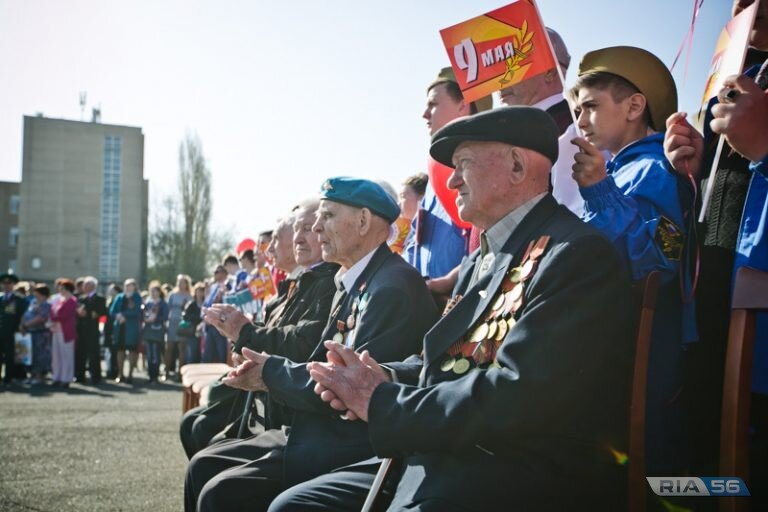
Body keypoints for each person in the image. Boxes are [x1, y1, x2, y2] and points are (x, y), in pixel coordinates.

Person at [270, 107, 634, 511]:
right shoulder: (486, 256)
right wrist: (381, 375)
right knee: (293, 505)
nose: (452, 180)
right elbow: (450, 362)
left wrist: (383, 400)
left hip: (517, 473)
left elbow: (519, 394)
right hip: (453, 452)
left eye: (463, 164)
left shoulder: (574, 254)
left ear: (516, 165)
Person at [185, 178, 439, 512]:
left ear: (363, 222)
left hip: (349, 443)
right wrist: (265, 367)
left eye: (328, 216)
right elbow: (319, 359)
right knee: (203, 467)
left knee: (221, 491)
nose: (318, 228)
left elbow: (346, 384)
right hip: (318, 427)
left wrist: (270, 373)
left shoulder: (389, 287)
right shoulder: (358, 280)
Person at [569, 46, 694, 475]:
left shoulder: (655, 168)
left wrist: (601, 194)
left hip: (640, 358)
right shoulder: (615, 171)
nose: (580, 121)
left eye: (590, 106)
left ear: (635, 106)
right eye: (576, 109)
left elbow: (661, 259)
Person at [664, 0, 768, 482]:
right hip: (713, 313)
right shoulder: (737, 77)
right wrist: (698, 167)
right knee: (701, 472)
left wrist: (765, 150)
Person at [181, 199, 339, 459]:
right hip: (267, 398)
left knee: (203, 446)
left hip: (286, 410)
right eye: (297, 230)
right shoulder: (300, 281)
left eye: (309, 228)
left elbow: (302, 343)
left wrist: (244, 333)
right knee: (194, 428)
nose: (269, 251)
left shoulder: (326, 281)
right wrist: (242, 344)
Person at [405, 67, 492, 279]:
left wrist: (457, 279)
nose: (424, 114)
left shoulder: (488, 170)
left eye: (433, 105)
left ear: (463, 105)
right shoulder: (434, 175)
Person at [499, 27, 584, 216]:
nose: (502, 80)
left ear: (550, 73)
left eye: (514, 65)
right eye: (498, 68)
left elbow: (574, 211)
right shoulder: (505, 132)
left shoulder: (575, 127)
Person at [75, 276, 108, 385]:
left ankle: (96, 376)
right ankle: (80, 376)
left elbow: (102, 313)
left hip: (92, 329)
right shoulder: (80, 298)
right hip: (81, 329)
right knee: (81, 353)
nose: (84, 286)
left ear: (92, 286)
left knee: (94, 354)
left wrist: (87, 314)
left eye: (86, 284)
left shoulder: (100, 299)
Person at [110, 279, 143, 384]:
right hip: (120, 328)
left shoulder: (137, 297)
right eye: (126, 286)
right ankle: (120, 374)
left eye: (130, 286)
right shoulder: (119, 297)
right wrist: (117, 316)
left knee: (132, 351)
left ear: (134, 287)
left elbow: (137, 311)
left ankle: (130, 375)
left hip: (131, 328)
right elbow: (112, 311)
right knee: (120, 351)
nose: (128, 288)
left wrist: (124, 315)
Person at [388, 173, 428, 255]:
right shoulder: (409, 236)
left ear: (422, 197)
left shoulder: (432, 232)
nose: (398, 204)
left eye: (403, 196)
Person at [21, 284, 52, 385]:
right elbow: (25, 315)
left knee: (40, 355)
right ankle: (31, 375)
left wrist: (27, 325)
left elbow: (42, 318)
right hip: (29, 333)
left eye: (37, 292)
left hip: (40, 334)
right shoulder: (32, 303)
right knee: (29, 355)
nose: (35, 294)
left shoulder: (46, 305)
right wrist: (22, 326)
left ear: (43, 294)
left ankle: (39, 376)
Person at [0, 273, 27, 385]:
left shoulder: (19, 299)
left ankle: (8, 378)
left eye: (9, 283)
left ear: (14, 285)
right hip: (0, 331)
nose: (6, 286)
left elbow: (23, 315)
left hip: (12, 332)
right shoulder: (0, 298)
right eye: (4, 283)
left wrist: (22, 327)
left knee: (11, 356)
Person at [50, 279, 78, 388]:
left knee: (66, 355)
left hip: (66, 330)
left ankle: (66, 378)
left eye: (62, 288)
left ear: (67, 289)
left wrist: (54, 318)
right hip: (56, 330)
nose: (60, 290)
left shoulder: (72, 300)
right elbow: (52, 311)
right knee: (56, 355)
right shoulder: (59, 300)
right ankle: (56, 377)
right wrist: (53, 318)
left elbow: (65, 315)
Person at [164, 274, 192, 380]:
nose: (181, 284)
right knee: (169, 348)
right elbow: (167, 309)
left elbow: (191, 311)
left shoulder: (189, 296)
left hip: (183, 324)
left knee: (182, 350)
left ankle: (180, 374)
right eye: (179, 282)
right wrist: (165, 323)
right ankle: (166, 372)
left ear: (186, 284)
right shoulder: (172, 295)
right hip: (172, 323)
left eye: (183, 282)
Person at [202, 265, 231, 364]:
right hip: (210, 326)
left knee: (222, 353)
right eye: (215, 272)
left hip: (220, 325)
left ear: (224, 273)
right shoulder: (213, 287)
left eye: (217, 272)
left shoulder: (228, 285)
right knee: (208, 354)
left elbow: (227, 305)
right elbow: (207, 303)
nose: (215, 274)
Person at [143, 281, 169, 384]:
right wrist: (146, 318)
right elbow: (143, 314)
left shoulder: (163, 304)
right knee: (149, 354)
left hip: (158, 331)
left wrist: (155, 318)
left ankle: (155, 376)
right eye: (151, 291)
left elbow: (165, 316)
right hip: (148, 330)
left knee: (155, 353)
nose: (153, 293)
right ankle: (150, 376)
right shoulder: (148, 303)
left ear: (159, 292)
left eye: (155, 291)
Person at [181, 282, 207, 365]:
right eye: (198, 291)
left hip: (204, 332)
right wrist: (198, 319)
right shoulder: (191, 304)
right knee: (192, 354)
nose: (199, 293)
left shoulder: (206, 303)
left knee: (202, 354)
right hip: (193, 332)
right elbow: (185, 316)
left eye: (201, 291)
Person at [103, 283, 122, 380]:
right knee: (108, 350)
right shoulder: (108, 301)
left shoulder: (119, 301)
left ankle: (115, 370)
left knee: (115, 350)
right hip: (108, 327)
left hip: (115, 327)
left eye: (112, 290)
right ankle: (109, 370)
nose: (110, 291)